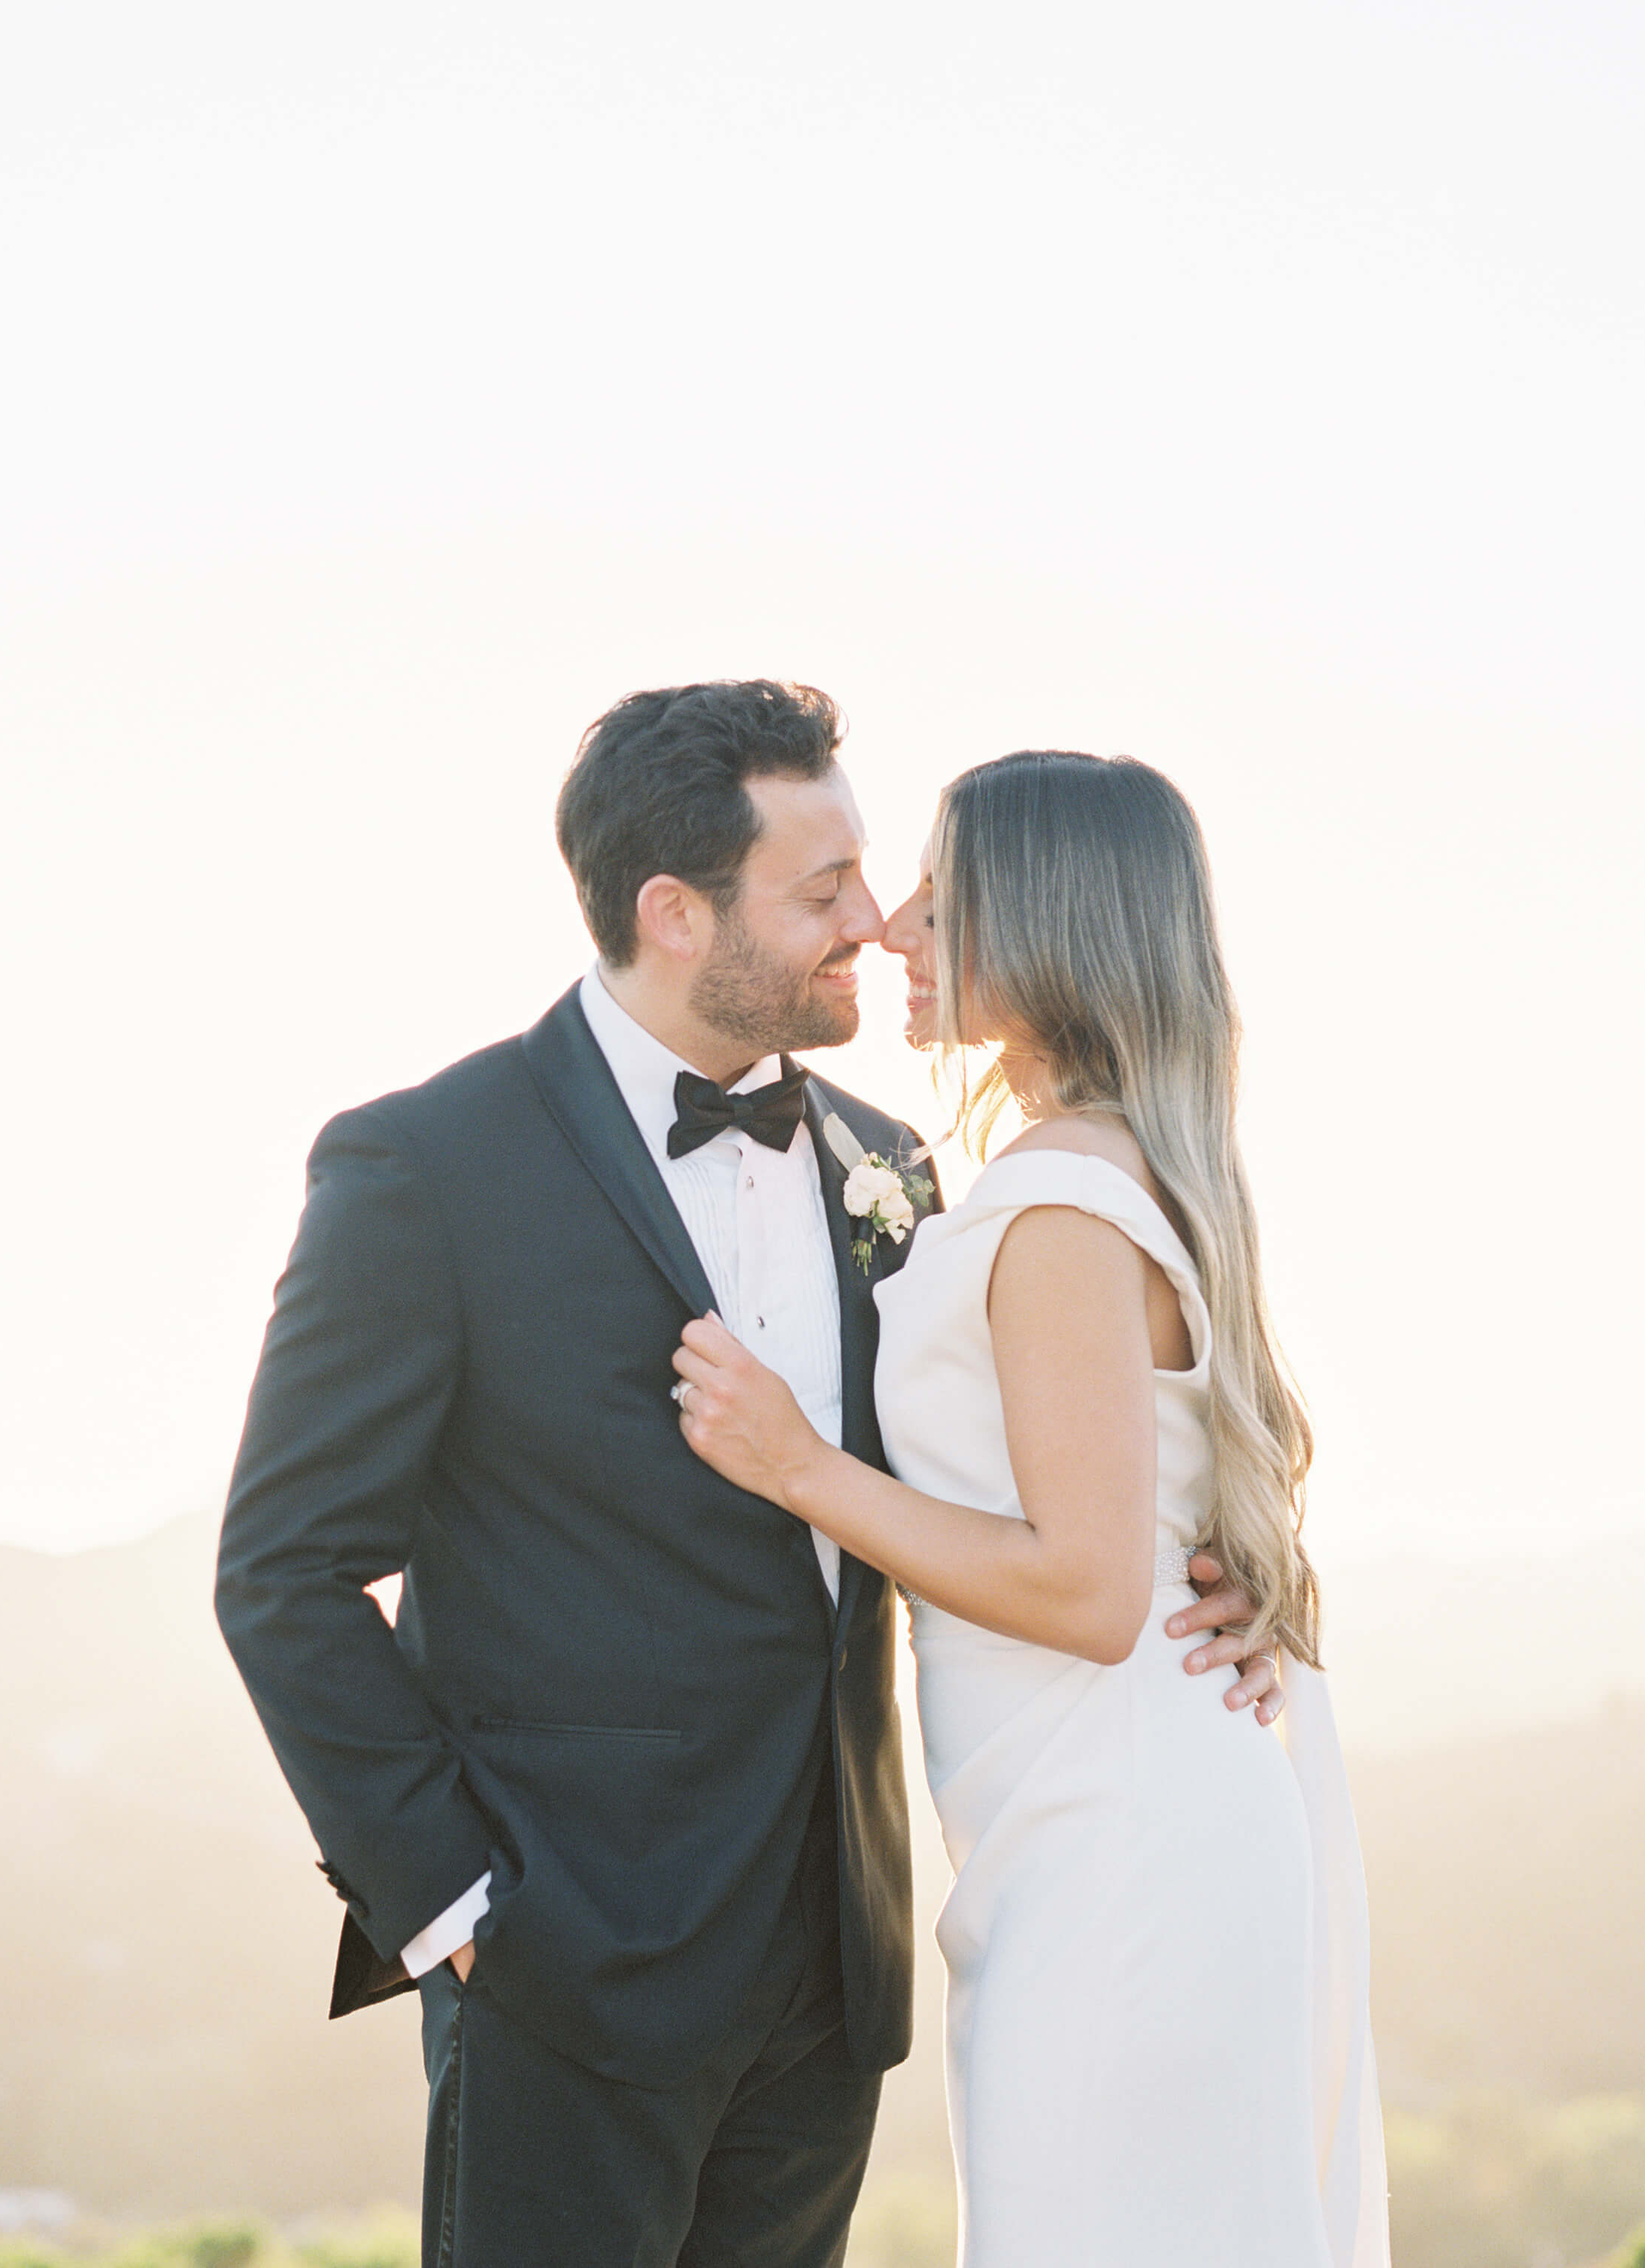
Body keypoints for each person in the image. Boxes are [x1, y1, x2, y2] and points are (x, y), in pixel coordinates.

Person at [216, 688, 1289, 2268]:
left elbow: (1039, 1451)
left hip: (831, 1971)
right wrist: (450, 1911)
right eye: (819, 890)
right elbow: (284, 1571)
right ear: (671, 911)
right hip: (559, 1969)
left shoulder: (892, 1163)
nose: (871, 919)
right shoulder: (426, 1168)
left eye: (864, 873)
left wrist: (1216, 1558)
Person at [674, 748, 1391, 2266]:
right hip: (1097, 1815)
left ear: (1046, 917)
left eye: (942, 889)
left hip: (1115, 1843)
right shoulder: (1092, 1166)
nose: (895, 924)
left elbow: (1083, 1586)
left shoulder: (1062, 1198)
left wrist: (801, 1465)